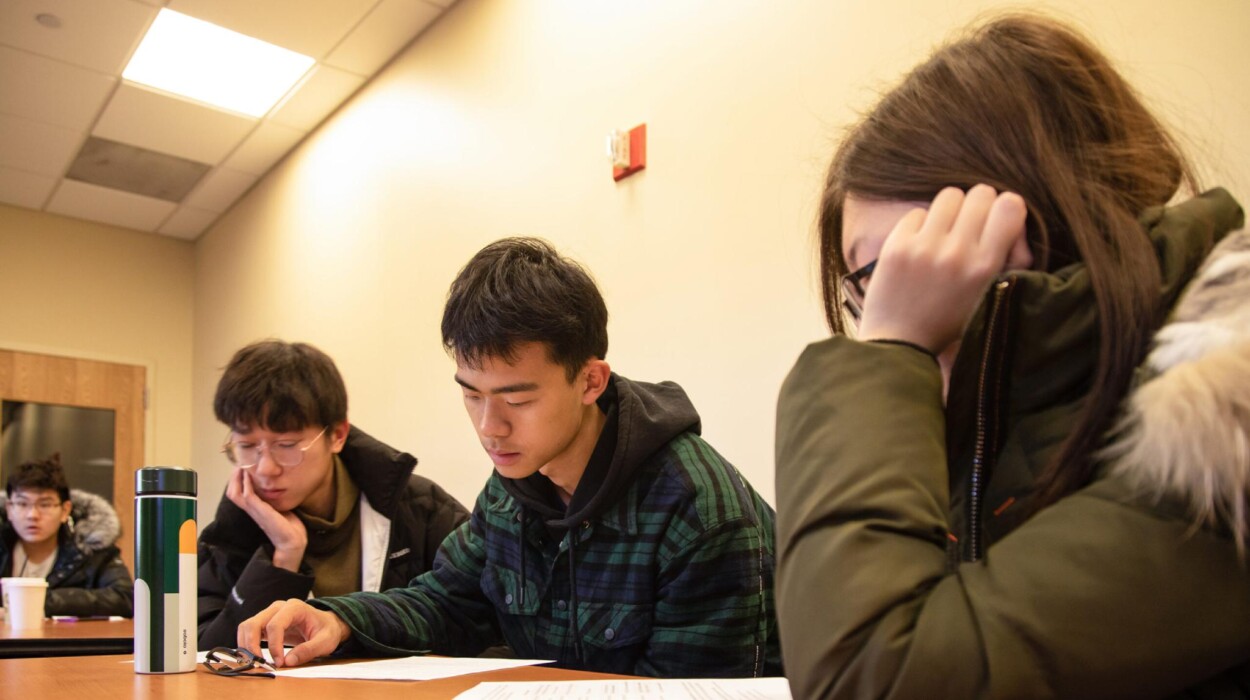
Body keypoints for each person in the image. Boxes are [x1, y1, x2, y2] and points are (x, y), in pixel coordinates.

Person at [775, 13, 1250, 699]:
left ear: (1029, 235)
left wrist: (890, 350)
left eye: (888, 276)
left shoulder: (1217, 410)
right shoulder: (996, 422)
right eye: (870, 294)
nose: (875, 319)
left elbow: (870, 675)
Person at [237, 238, 782, 678]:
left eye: (517, 400)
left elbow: (701, 691)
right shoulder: (511, 492)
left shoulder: (698, 511)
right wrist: (338, 620)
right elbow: (448, 602)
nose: (488, 427)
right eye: (471, 394)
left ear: (591, 381)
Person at [197, 340, 470, 650]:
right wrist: (284, 559)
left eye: (286, 446)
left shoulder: (420, 509)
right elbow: (207, 650)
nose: (265, 468)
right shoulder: (234, 527)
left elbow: (481, 623)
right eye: (246, 446)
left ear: (337, 436)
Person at [0, 454, 133, 617]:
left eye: (45, 504)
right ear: (9, 509)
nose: (32, 515)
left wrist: (41, 600)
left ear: (65, 510)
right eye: (22, 504)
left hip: (67, 641)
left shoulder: (90, 546)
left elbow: (125, 598)